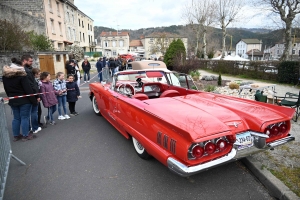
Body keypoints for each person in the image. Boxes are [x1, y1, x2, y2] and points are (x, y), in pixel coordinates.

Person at [3, 58, 37, 141]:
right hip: (25, 100)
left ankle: (16, 135)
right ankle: (26, 135)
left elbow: (6, 90)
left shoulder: (5, 77)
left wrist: (11, 98)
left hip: (13, 100)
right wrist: (34, 101)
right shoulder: (22, 76)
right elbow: (28, 90)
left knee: (16, 118)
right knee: (24, 117)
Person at [21, 55, 41, 134]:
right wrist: (37, 95)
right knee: (33, 112)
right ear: (24, 61)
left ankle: (29, 129)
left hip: (25, 95)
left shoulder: (22, 70)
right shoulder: (28, 71)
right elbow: (32, 85)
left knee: (26, 115)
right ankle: (34, 128)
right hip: (31, 95)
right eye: (30, 61)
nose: (32, 63)